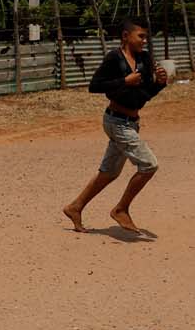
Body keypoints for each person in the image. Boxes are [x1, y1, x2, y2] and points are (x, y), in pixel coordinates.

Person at [63, 17, 169, 235]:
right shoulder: (114, 58)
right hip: (116, 122)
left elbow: (144, 95)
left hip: (131, 122)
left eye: (146, 37)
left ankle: (75, 207)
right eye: (140, 36)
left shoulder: (144, 59)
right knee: (149, 165)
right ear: (125, 36)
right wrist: (124, 81)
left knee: (109, 172)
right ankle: (121, 209)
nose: (144, 41)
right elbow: (94, 86)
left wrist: (159, 83)